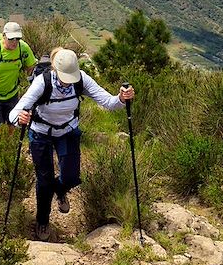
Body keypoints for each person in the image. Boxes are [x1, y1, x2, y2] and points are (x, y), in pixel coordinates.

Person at [9, 48, 135, 242]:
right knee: (44, 180)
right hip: (41, 133)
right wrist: (20, 118)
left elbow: (108, 103)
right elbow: (14, 113)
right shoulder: (42, 82)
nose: (68, 81)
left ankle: (59, 190)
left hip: (67, 132)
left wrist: (121, 98)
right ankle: (42, 221)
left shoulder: (81, 79)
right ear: (55, 70)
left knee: (71, 176)